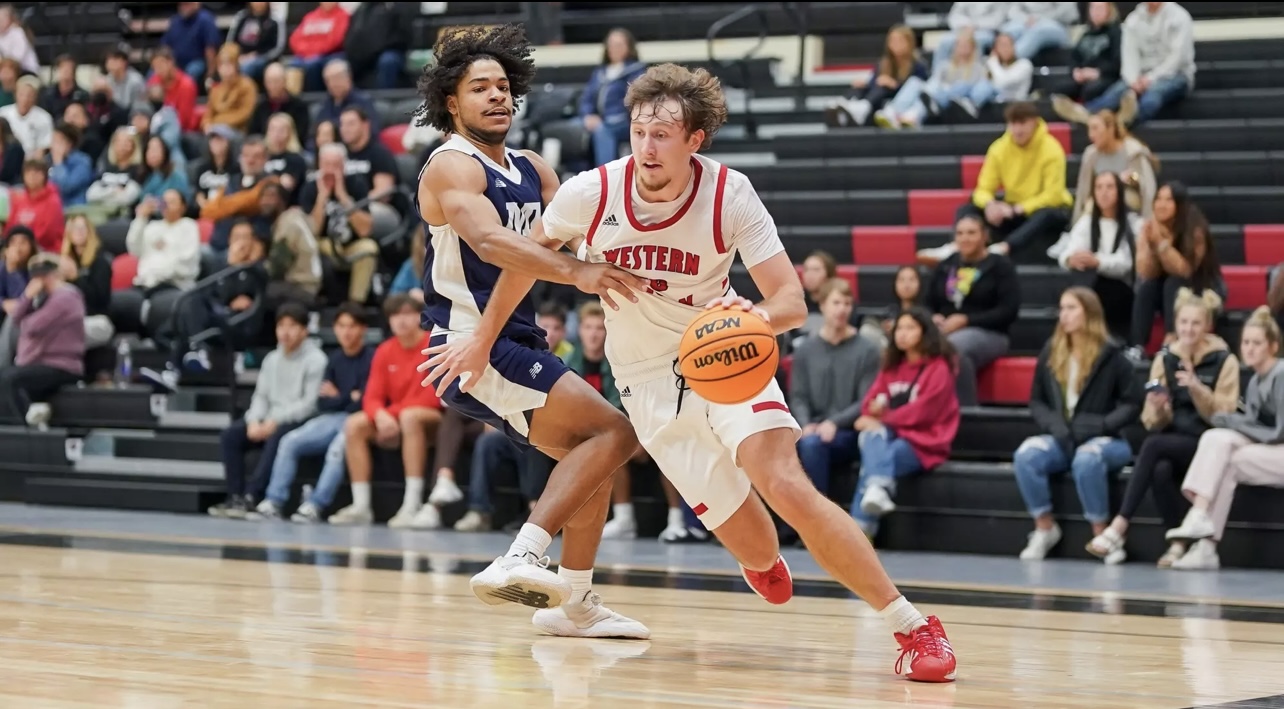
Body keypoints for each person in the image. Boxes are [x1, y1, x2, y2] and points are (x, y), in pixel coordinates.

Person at [425, 58, 957, 681]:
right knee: (761, 555)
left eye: (663, 134)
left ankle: (913, 627)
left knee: (786, 483)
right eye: (639, 131)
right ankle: (758, 559)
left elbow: (791, 301)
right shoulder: (590, 193)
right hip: (648, 383)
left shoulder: (729, 192)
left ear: (694, 140)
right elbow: (521, 265)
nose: (647, 146)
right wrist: (483, 338)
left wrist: (751, 313)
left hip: (723, 353)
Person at [410, 25, 650, 640]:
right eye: (479, 88)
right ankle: (524, 553)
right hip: (470, 345)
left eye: (503, 86)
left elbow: (587, 225)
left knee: (590, 457)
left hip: (514, 340)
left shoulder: (532, 167)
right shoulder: (449, 168)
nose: (497, 97)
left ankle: (576, 604)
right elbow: (492, 242)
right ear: (451, 102)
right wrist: (578, 272)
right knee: (614, 430)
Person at [1086, 288, 1238, 566]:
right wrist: (1158, 407)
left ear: (1207, 326)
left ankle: (1119, 526)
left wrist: (1197, 389)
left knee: (1152, 446)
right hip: (1173, 441)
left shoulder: (1224, 360)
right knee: (1159, 469)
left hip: (1207, 444)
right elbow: (1150, 422)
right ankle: (1178, 543)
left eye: (1195, 323)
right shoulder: (1165, 358)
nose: (1188, 329)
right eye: (1183, 323)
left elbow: (1225, 416)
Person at [1013, 287, 1139, 560]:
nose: (1064, 315)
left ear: (1089, 313)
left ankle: (1101, 534)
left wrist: (1102, 424)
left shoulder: (1112, 354)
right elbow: (1037, 401)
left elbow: (1132, 404)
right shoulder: (1051, 351)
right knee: (1026, 455)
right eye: (1062, 308)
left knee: (1087, 459)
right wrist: (1054, 425)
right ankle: (1045, 527)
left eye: (1071, 308)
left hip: (1108, 439)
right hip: (1063, 437)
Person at [1162, 308, 1284, 570]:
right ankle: (1206, 543)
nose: (1249, 349)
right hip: (1272, 451)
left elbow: (1278, 433)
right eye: (1246, 342)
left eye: (1257, 343)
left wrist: (1232, 421)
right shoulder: (1253, 382)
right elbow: (1253, 426)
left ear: (1273, 346)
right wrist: (1230, 423)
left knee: (1227, 448)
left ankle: (1198, 516)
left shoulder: (1282, 375)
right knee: (1218, 442)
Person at [251, 302, 373, 521]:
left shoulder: (371, 358)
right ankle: (273, 501)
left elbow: (364, 401)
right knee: (289, 441)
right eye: (341, 326)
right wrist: (348, 396)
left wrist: (339, 396)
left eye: (352, 326)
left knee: (337, 450)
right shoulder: (334, 359)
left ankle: (315, 505)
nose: (346, 332)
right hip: (330, 417)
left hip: (359, 419)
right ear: (334, 328)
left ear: (363, 329)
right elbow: (322, 403)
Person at [208, 303, 327, 518]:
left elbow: (309, 404)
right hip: (269, 418)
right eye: (281, 326)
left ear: (304, 330)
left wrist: (275, 420)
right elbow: (261, 396)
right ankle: (234, 497)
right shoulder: (271, 359)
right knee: (231, 436)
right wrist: (254, 420)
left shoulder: (317, 360)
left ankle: (252, 496)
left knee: (279, 436)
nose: (285, 332)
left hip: (299, 419)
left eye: (292, 326)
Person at [852, 308, 960, 538]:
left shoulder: (938, 367)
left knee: (875, 459)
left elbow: (923, 413)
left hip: (925, 443)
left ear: (925, 332)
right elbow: (867, 405)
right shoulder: (892, 367)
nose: (903, 334)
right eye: (900, 328)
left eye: (910, 328)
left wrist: (884, 418)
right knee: (870, 437)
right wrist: (875, 417)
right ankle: (877, 491)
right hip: (894, 436)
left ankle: (859, 533)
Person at [0, 254, 85, 426]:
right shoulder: (42, 298)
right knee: (8, 377)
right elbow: (15, 318)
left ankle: (23, 432)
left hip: (61, 365)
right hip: (38, 363)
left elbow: (31, 327)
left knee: (9, 378)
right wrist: (27, 297)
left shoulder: (66, 297)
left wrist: (28, 299)